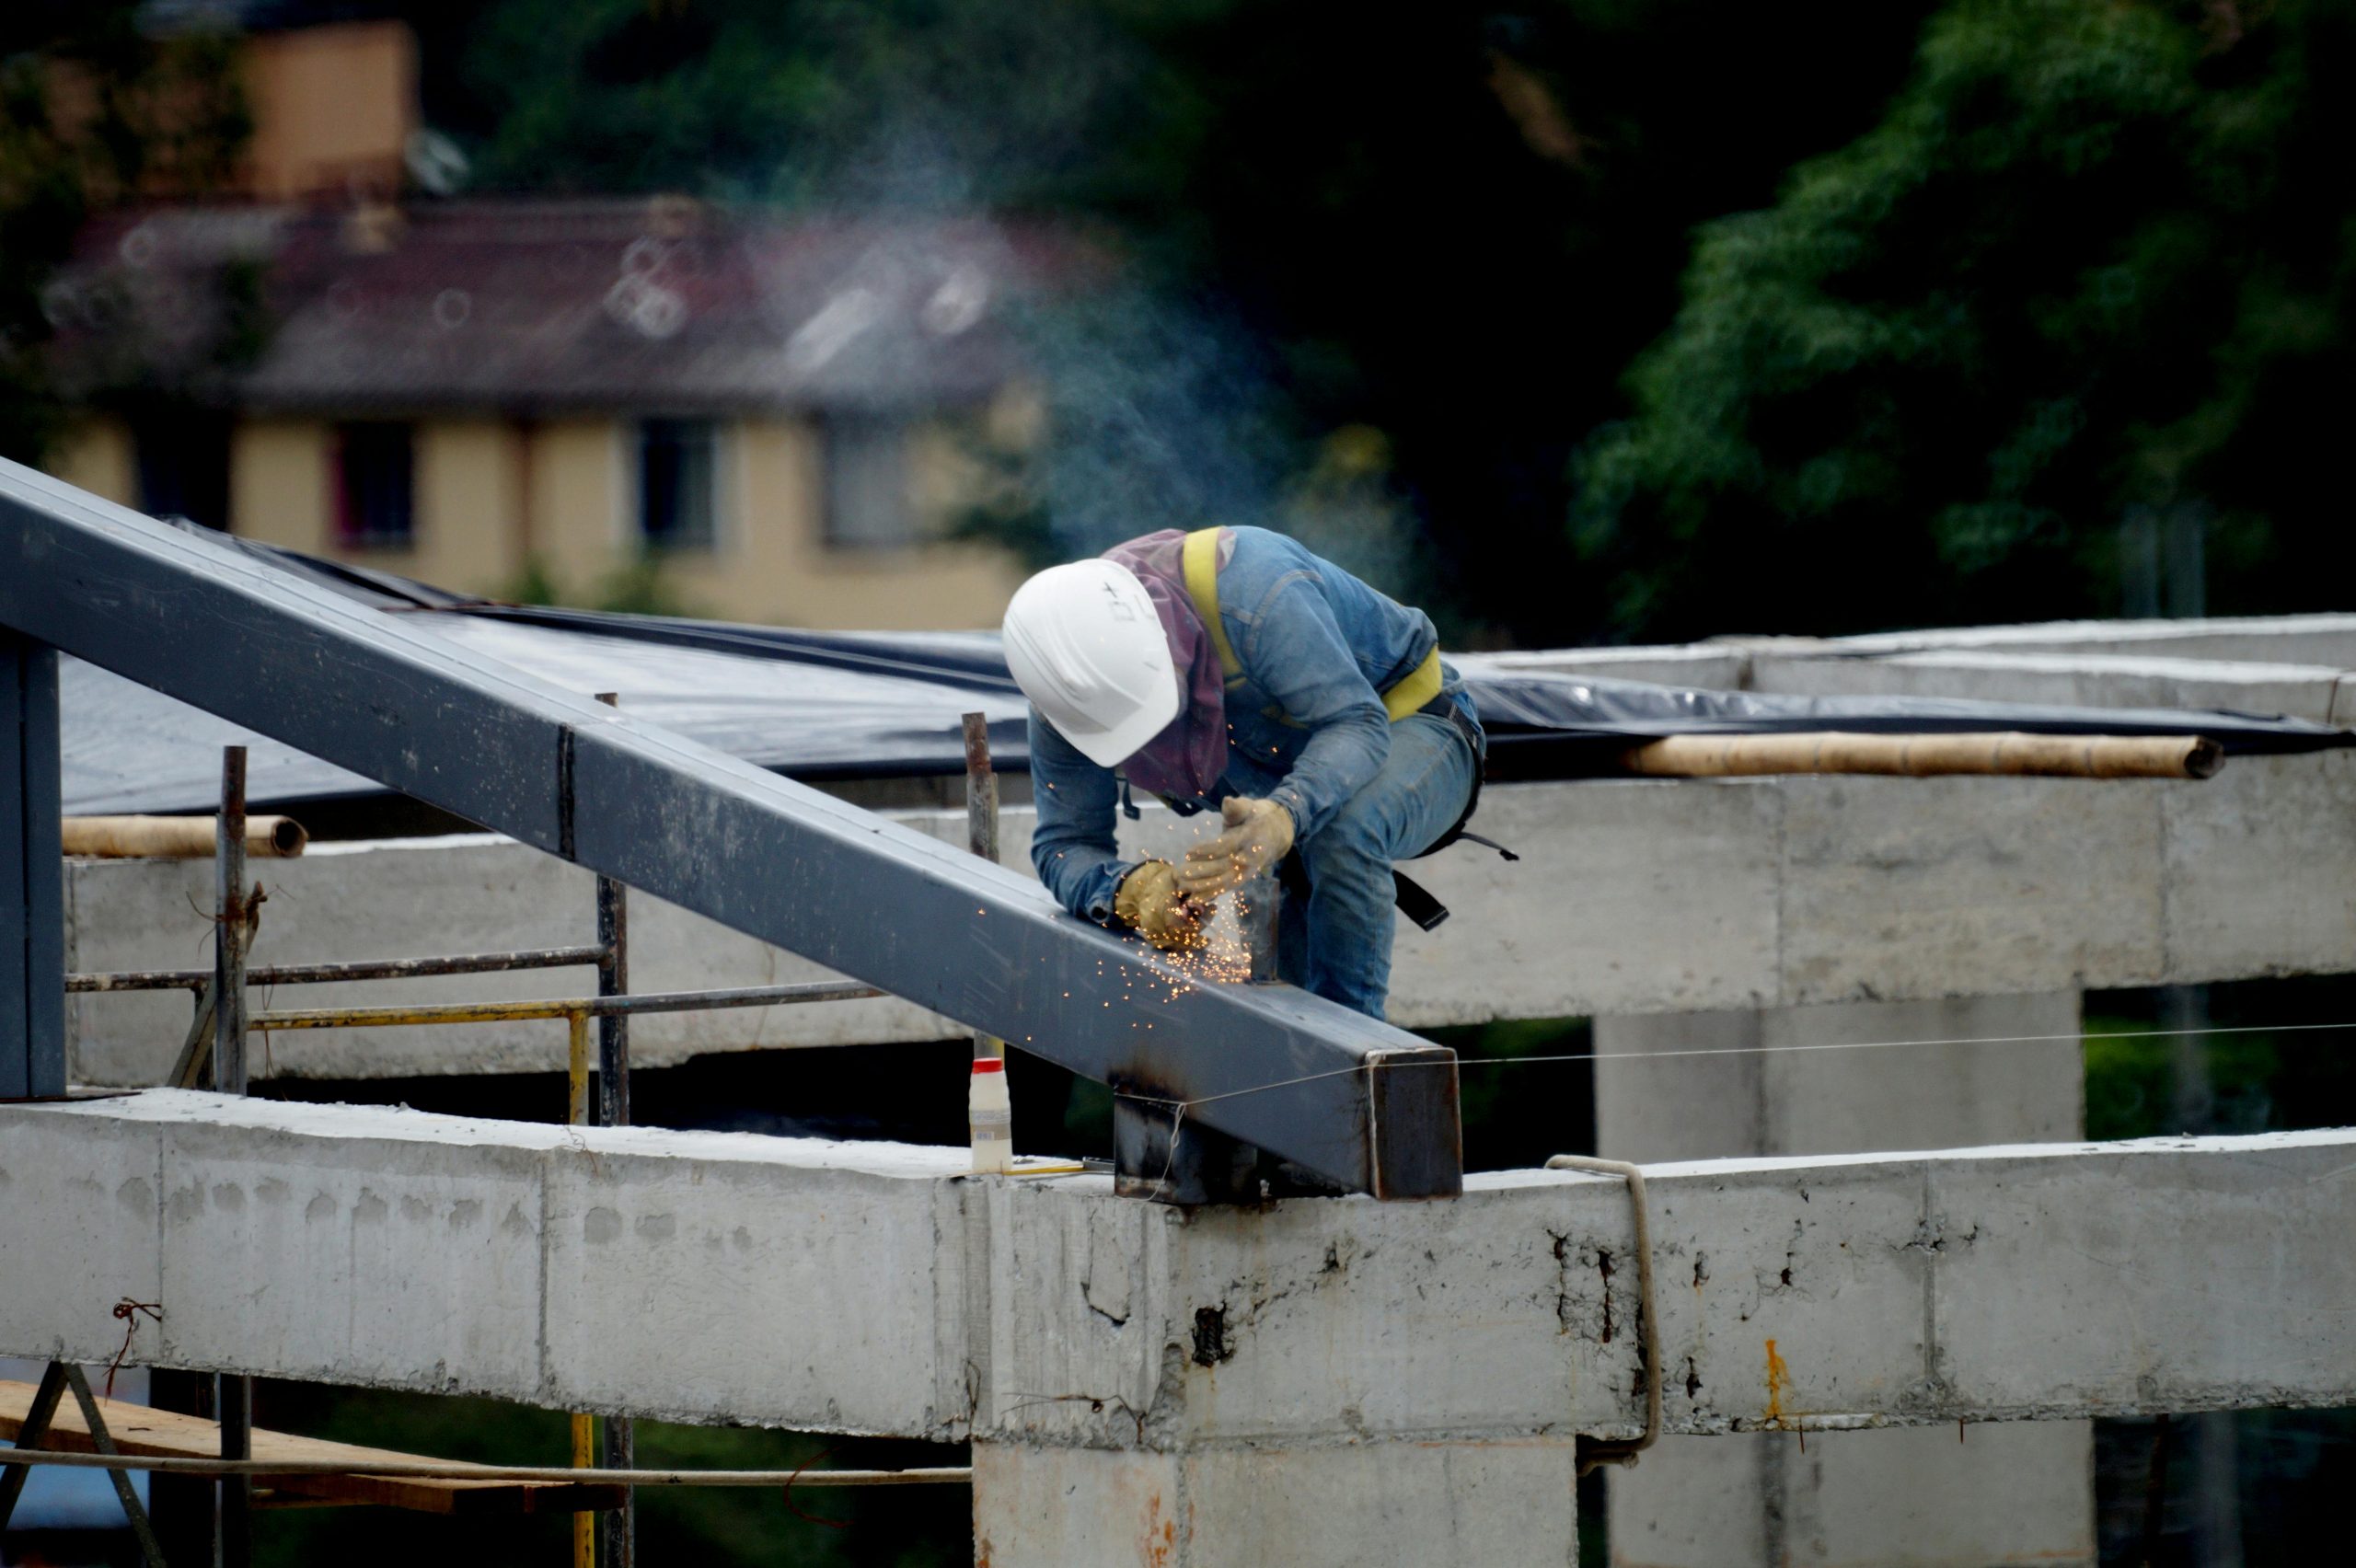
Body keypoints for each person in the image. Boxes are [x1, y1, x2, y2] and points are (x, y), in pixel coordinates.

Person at [1001, 525, 1485, 1020]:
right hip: (1287, 798)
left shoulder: (1258, 592)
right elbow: (1063, 844)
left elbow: (1356, 724)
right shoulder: (1066, 701)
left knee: (1344, 829)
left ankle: (1359, 1051)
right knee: (1282, 1016)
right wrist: (1133, 891)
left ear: (1161, 643)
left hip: (1414, 724)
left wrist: (1285, 814)